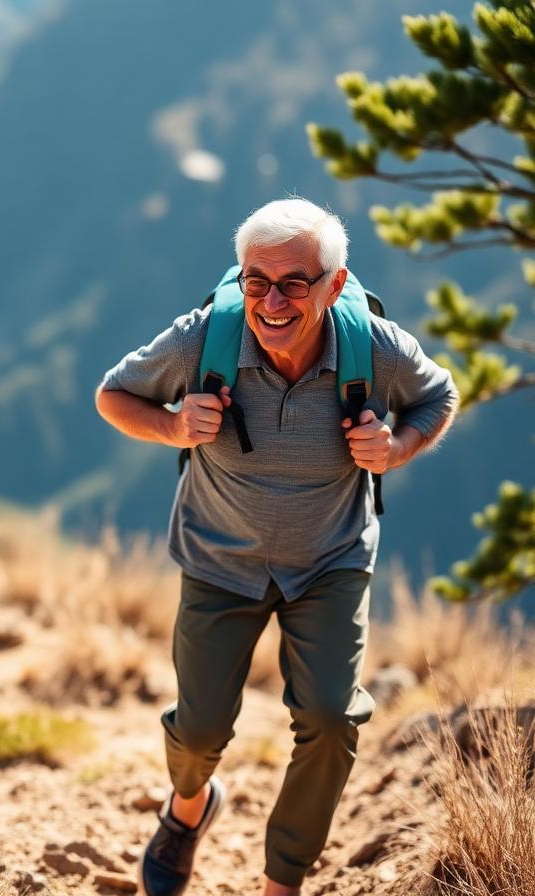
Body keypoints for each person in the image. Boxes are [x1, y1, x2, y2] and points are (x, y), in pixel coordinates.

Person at [94, 198, 458, 896]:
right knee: (199, 732)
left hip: (330, 561)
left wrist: (399, 446)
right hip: (217, 557)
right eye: (256, 281)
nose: (272, 300)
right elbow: (115, 396)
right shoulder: (204, 340)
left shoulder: (376, 347)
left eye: (295, 282)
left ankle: (281, 881)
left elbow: (438, 396)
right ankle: (188, 809)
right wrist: (173, 428)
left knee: (329, 716)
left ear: (336, 284)